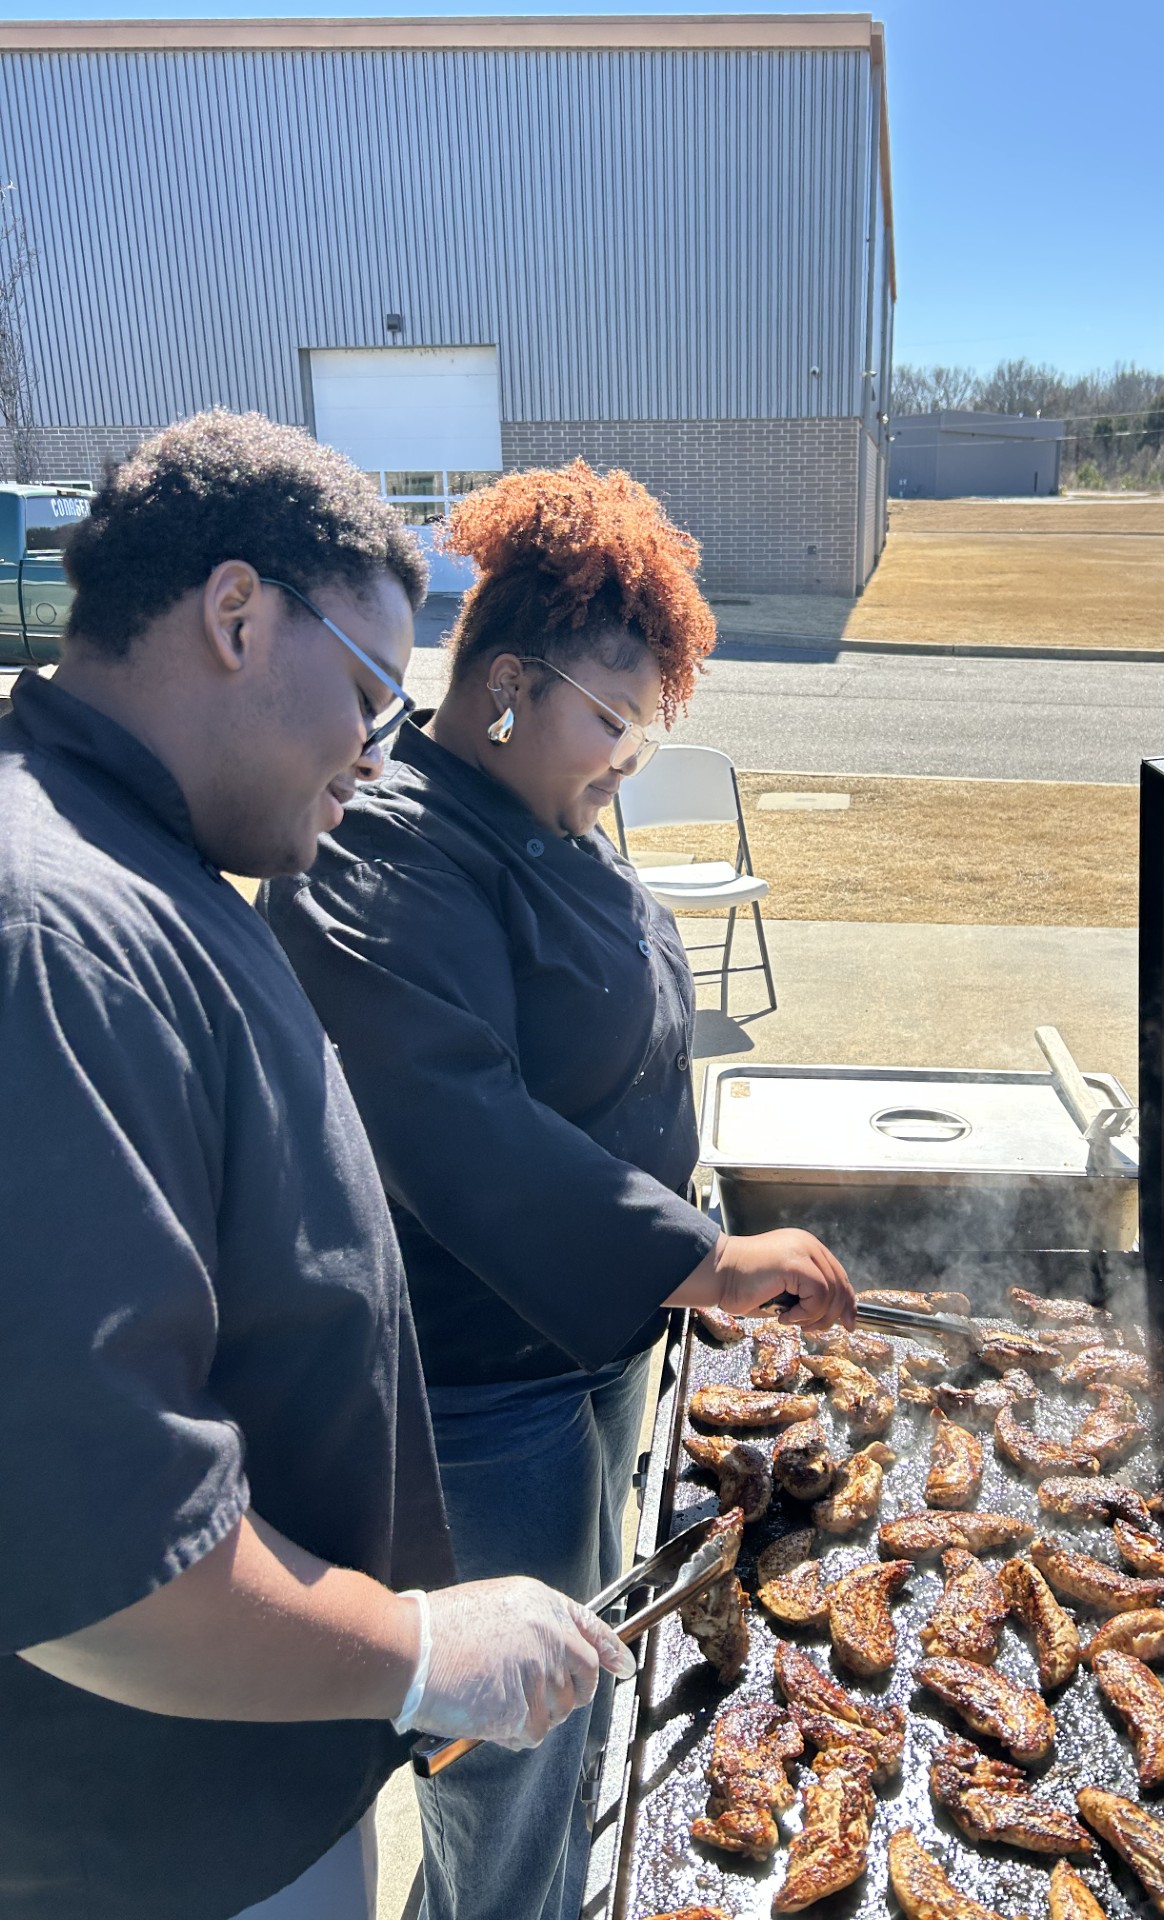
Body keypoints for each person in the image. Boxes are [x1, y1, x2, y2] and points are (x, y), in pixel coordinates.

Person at [0, 413, 633, 1920]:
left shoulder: (143, 861)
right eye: (368, 689)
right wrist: (418, 1652)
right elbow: (108, 1562)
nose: (380, 746)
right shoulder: (55, 940)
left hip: (245, 1782)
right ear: (233, 614)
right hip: (154, 1844)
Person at [260, 460, 855, 1920]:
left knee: (569, 1695)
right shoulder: (384, 842)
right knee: (509, 1743)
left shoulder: (535, 817)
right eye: (615, 724)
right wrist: (706, 1257)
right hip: (478, 1398)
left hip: (586, 1356)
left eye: (651, 732)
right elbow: (455, 1123)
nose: (628, 763)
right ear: (510, 683)